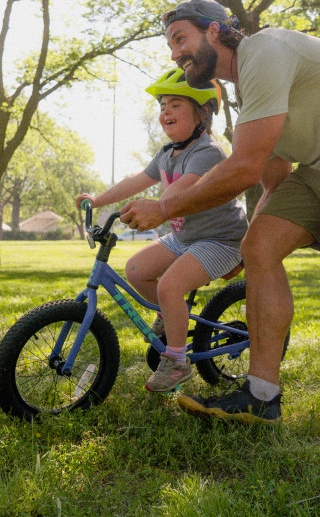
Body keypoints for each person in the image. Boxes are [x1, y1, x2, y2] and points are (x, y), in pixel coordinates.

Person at [119, 0, 320, 427]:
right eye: (170, 45)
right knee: (261, 249)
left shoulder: (264, 51)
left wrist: (164, 206)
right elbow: (274, 174)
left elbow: (244, 167)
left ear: (214, 31)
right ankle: (261, 396)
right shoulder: (249, 89)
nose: (174, 53)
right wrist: (243, 249)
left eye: (180, 39)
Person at [76, 68, 248, 393]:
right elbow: (136, 181)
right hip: (185, 237)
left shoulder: (207, 152)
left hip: (221, 240)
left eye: (175, 105)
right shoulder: (167, 153)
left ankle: (178, 361)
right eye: (162, 106)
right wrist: (97, 200)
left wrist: (150, 208)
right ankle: (173, 322)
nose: (165, 112)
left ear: (202, 112)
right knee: (136, 270)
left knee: (169, 286)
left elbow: (177, 194)